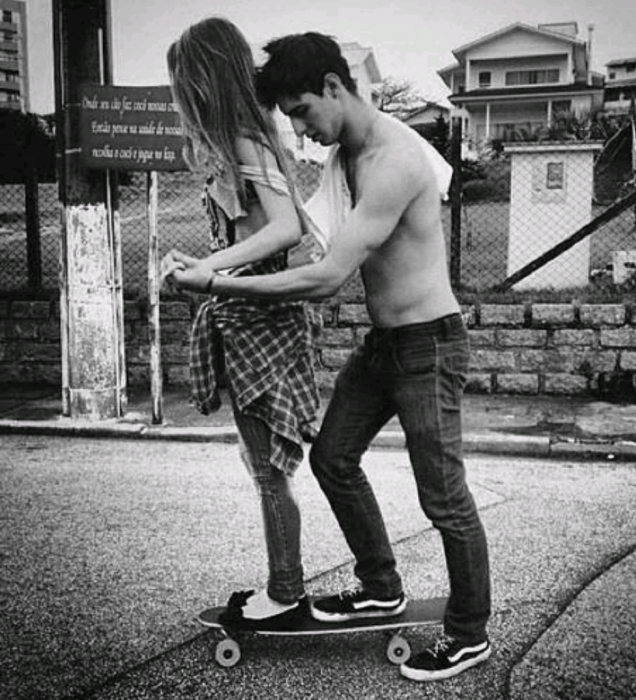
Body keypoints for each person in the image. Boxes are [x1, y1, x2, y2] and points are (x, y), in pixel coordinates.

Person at [164, 31, 492, 682]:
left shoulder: (396, 160)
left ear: (335, 88)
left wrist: (217, 282)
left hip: (430, 344)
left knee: (444, 497)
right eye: (290, 121)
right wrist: (228, 262)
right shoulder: (346, 155)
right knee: (333, 458)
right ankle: (381, 586)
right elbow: (308, 243)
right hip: (385, 346)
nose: (303, 133)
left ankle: (469, 632)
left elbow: (325, 279)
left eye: (303, 113)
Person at [161, 17, 320, 630]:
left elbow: (286, 228)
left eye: (189, 88)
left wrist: (206, 268)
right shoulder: (242, 139)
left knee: (267, 471)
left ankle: (285, 591)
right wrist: (203, 267)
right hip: (248, 314)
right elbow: (260, 233)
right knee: (266, 468)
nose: (185, 102)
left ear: (208, 81)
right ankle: (285, 584)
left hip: (260, 320)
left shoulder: (246, 140)